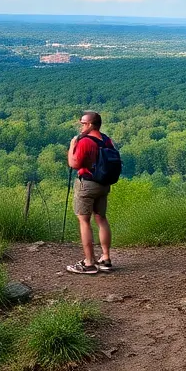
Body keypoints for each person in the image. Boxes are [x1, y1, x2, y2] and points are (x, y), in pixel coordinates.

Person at [65, 110, 112, 275]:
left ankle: (89, 262)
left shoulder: (85, 141)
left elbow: (74, 164)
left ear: (91, 124)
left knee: (84, 221)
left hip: (87, 184)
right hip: (104, 184)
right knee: (101, 218)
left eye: (83, 123)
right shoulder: (106, 140)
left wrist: (72, 147)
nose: (81, 126)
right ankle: (105, 258)